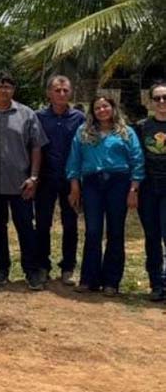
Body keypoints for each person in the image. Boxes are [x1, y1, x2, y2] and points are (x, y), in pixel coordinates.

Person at [0, 70, 48, 290]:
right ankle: (1, 268)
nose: (3, 90)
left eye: (7, 86)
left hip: (20, 182)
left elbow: (36, 146)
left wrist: (34, 177)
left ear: (13, 90)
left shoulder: (26, 114)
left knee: (25, 227)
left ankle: (31, 270)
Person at [67, 96, 144, 296]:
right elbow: (74, 160)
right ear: (92, 112)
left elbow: (137, 160)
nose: (102, 110)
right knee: (92, 231)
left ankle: (111, 282)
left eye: (105, 106)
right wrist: (75, 187)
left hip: (119, 183)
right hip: (92, 183)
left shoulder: (126, 133)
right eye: (97, 107)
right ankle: (88, 279)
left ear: (113, 108)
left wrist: (133, 190)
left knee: (115, 231)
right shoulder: (83, 132)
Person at [35, 75, 86, 286]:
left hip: (70, 180)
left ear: (70, 92)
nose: (62, 94)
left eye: (65, 90)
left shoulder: (80, 119)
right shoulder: (38, 117)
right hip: (45, 178)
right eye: (57, 90)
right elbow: (34, 147)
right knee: (42, 223)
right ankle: (42, 267)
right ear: (49, 93)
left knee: (70, 224)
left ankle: (68, 268)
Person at [137, 82, 166, 301]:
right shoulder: (142, 127)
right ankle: (157, 284)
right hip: (148, 190)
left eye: (165, 98)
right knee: (152, 237)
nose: (162, 102)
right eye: (157, 98)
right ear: (150, 101)